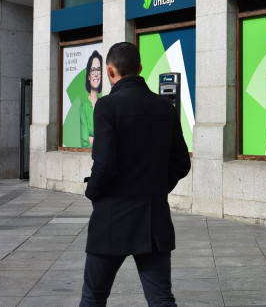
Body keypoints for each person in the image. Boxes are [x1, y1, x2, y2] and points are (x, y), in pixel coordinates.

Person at [80, 42, 191, 307]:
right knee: (161, 298)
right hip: (152, 218)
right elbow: (181, 163)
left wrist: (92, 192)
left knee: (94, 296)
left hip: (112, 216)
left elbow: (104, 164)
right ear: (140, 68)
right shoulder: (165, 107)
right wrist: (156, 187)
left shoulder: (106, 106)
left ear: (110, 71)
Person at [80, 50, 102, 148]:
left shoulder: (104, 103)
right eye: (93, 70)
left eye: (98, 69)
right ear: (88, 76)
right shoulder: (83, 105)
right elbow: (85, 143)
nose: (96, 74)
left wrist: (92, 138)